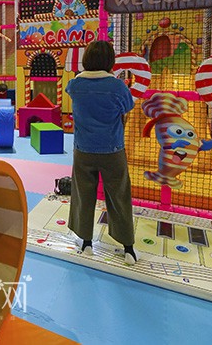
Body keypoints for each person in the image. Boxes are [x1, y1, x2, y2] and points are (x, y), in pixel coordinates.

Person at [65, 40, 138, 265]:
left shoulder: (75, 84)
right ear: (110, 61)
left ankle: (86, 243)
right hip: (112, 149)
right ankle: (128, 248)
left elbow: (74, 96)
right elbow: (128, 107)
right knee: (119, 195)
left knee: (83, 194)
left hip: (83, 149)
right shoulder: (117, 86)